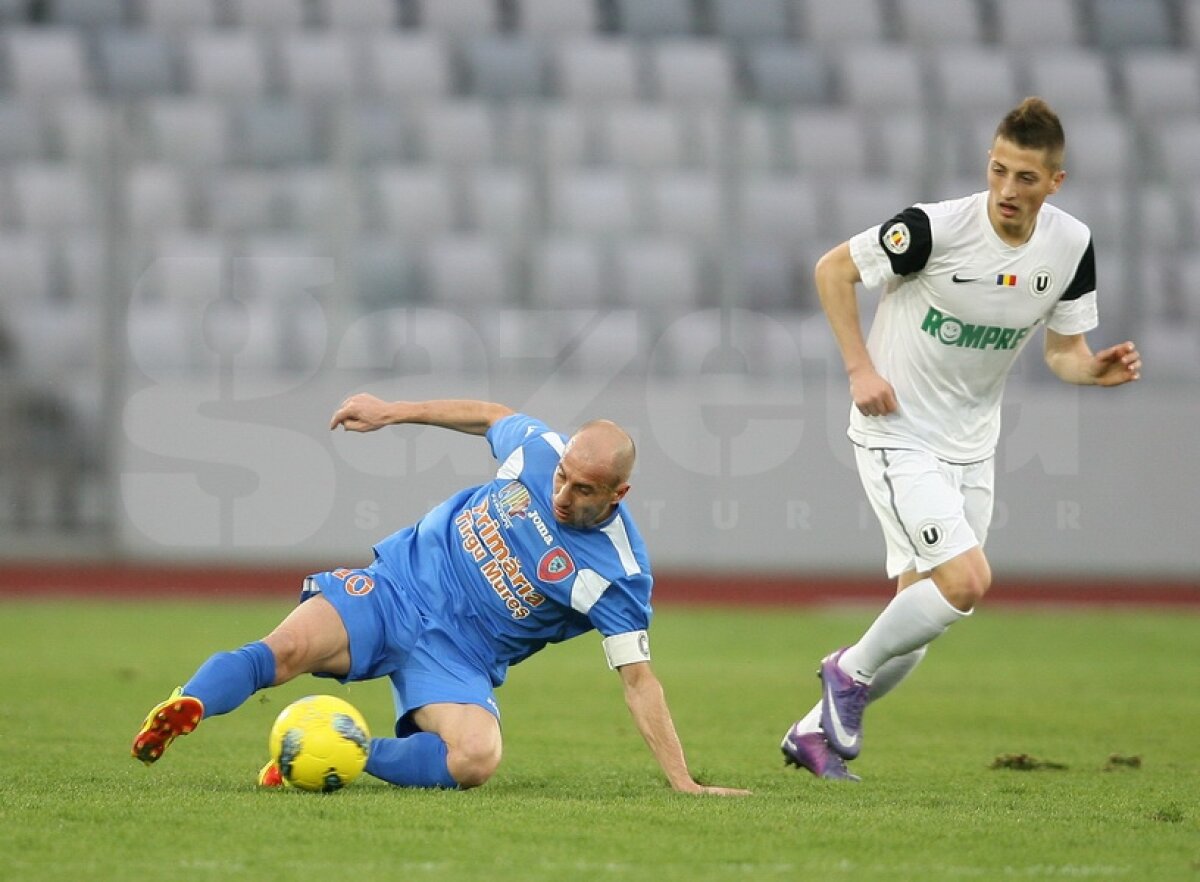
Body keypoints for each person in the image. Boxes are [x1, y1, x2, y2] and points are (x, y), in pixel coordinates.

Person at [132, 393, 749, 796]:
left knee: (476, 758)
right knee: (286, 648)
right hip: (398, 587)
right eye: (563, 478)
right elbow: (487, 416)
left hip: (457, 658)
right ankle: (183, 706)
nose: (563, 495)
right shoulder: (537, 451)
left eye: (584, 490)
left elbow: (639, 680)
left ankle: (335, 752)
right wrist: (391, 413)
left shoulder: (618, 575)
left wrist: (683, 782)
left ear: (619, 494)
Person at [780, 97, 1142, 781]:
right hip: (898, 433)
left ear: (1054, 182)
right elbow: (834, 270)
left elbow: (1064, 350)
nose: (1008, 190)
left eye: (1026, 178)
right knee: (967, 580)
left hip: (972, 445)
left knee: (920, 627)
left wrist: (1093, 371)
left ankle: (810, 732)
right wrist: (860, 368)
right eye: (999, 171)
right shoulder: (933, 228)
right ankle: (845, 672)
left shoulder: (1069, 246)